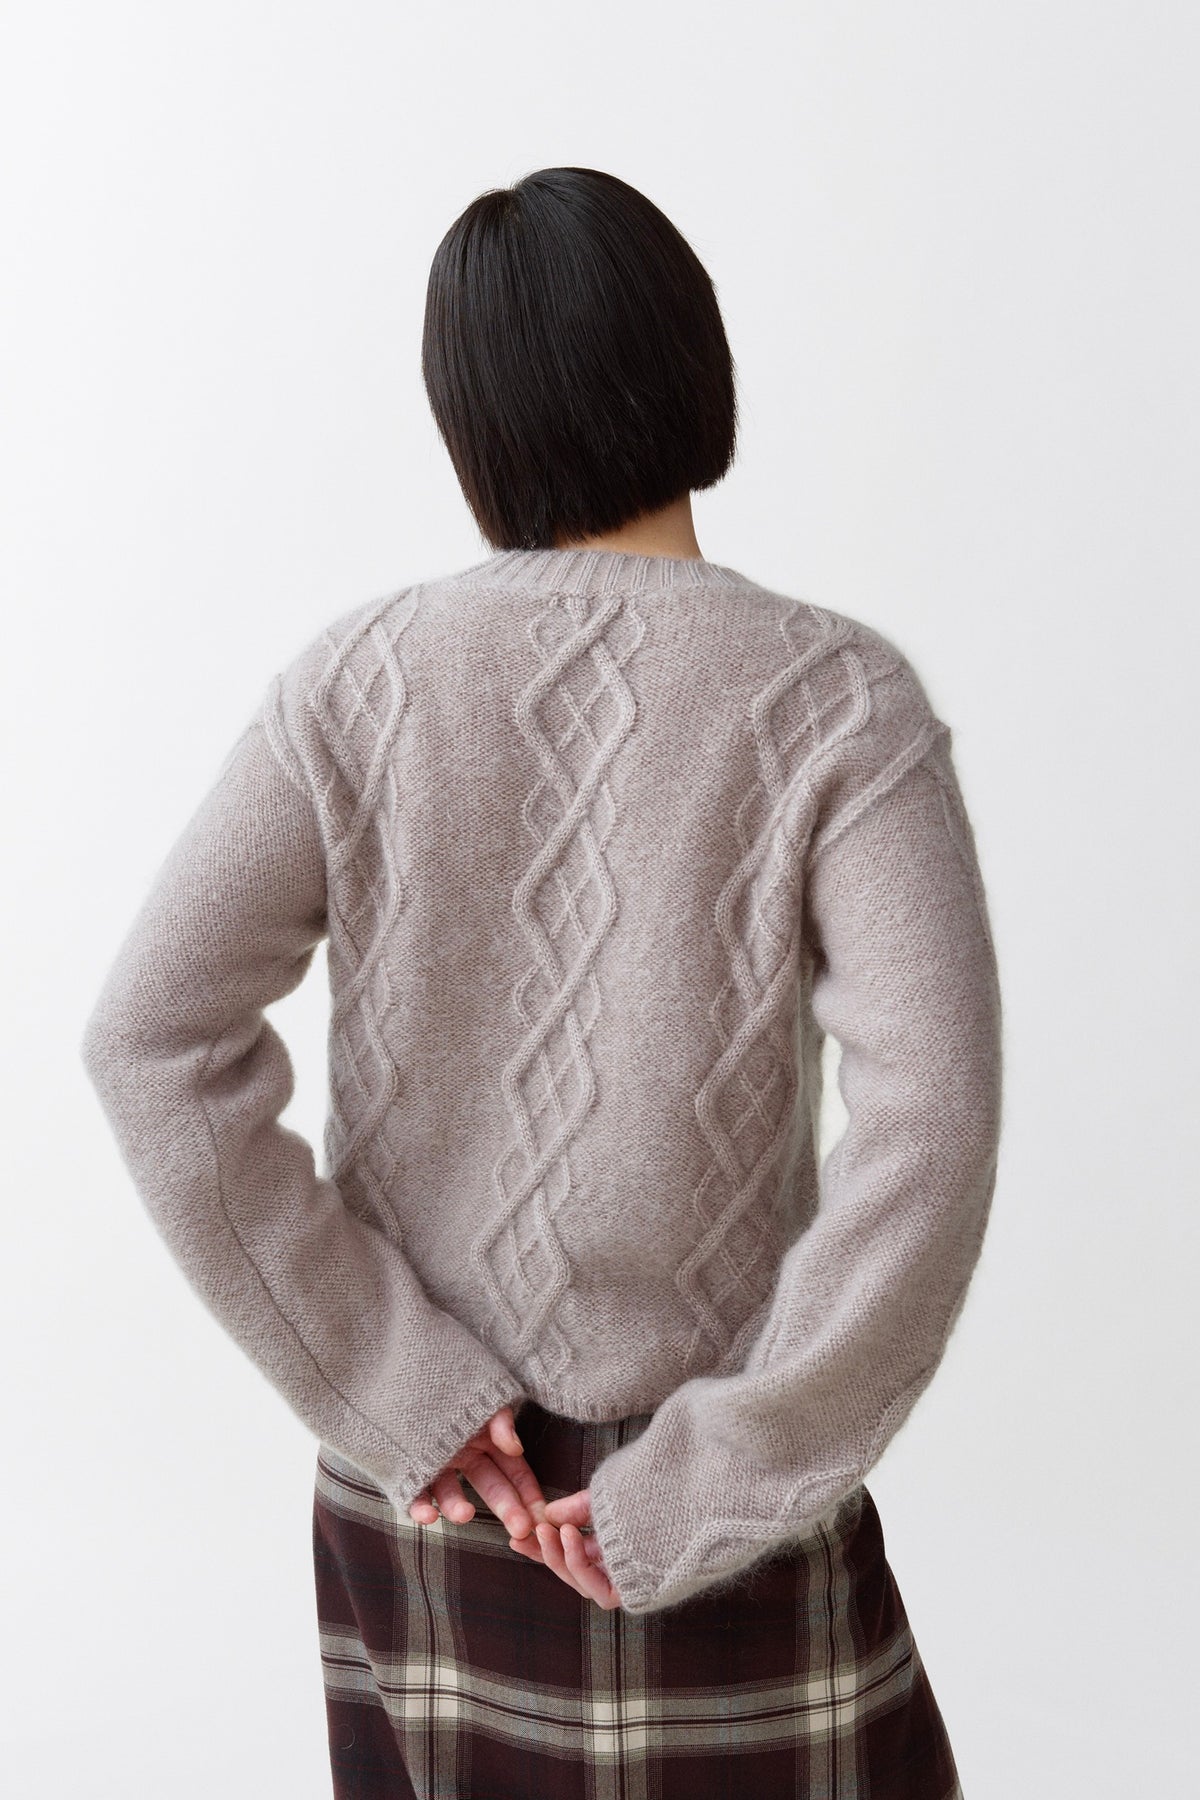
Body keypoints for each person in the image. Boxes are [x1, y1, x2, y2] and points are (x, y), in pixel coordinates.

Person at [81, 165, 1002, 1797]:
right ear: (697, 364)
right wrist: (721, 1470)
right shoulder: (838, 702)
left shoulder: (355, 684)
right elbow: (934, 1124)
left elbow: (150, 1039)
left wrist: (398, 1387)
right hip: (720, 1510)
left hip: (441, 1500)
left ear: (470, 422)